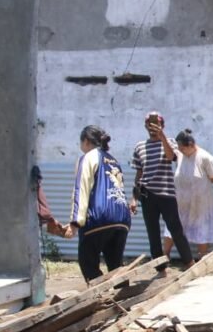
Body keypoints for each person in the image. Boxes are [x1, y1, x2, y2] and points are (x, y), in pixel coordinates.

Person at [66, 125, 133, 282]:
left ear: (87, 141)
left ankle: (100, 297)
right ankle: (122, 297)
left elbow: (80, 189)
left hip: (99, 217)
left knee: (87, 262)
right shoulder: (113, 160)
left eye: (81, 142)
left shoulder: (88, 158)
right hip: (122, 219)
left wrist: (75, 221)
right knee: (116, 265)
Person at [131, 112, 196, 270]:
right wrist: (134, 198)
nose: (153, 127)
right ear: (145, 126)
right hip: (147, 195)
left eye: (157, 124)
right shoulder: (140, 147)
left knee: (176, 229)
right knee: (152, 233)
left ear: (162, 126)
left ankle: (189, 263)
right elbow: (139, 175)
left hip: (166, 194)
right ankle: (160, 268)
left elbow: (171, 157)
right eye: (150, 124)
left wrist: (162, 137)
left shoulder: (170, 142)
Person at [163, 129, 213, 259]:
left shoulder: (205, 158)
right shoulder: (180, 155)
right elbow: (170, 155)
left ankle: (202, 257)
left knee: (203, 228)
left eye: (183, 148)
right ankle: (164, 256)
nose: (181, 150)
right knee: (173, 227)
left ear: (191, 145)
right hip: (181, 202)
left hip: (201, 202)